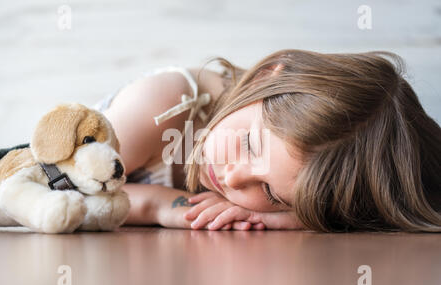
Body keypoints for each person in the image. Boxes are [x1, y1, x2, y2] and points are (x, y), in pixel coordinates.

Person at [96, 49, 441, 232]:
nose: (232, 179)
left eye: (271, 193)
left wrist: (298, 217)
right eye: (249, 145)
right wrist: (160, 206)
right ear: (265, 78)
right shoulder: (164, 104)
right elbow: (62, 187)